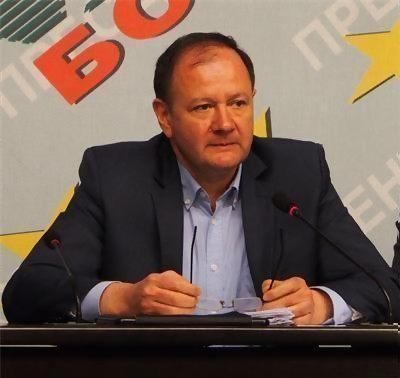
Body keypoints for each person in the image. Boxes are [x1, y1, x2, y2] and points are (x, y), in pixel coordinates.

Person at [2, 33, 399, 325]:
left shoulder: (299, 172)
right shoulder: (114, 176)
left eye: (238, 103)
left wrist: (321, 304)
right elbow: (27, 292)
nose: (225, 123)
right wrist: (122, 299)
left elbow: (385, 289)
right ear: (165, 117)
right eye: (204, 107)